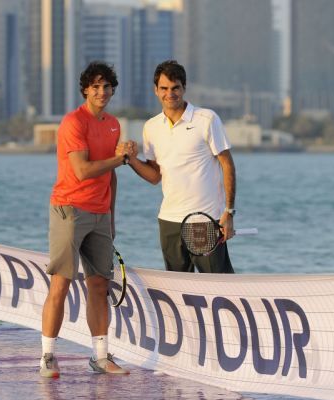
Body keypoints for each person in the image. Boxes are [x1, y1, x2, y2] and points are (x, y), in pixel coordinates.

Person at [40, 61, 136, 378]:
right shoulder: (72, 123)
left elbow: (112, 174)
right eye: (95, 86)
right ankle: (48, 357)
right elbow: (82, 170)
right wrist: (120, 159)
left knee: (99, 286)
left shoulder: (113, 125)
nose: (102, 92)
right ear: (85, 89)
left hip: (100, 214)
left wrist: (111, 215)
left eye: (107, 87)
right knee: (61, 285)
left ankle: (100, 357)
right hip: (69, 210)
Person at [127, 60, 237, 274]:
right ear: (156, 91)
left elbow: (227, 165)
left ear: (184, 88)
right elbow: (154, 176)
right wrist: (131, 160)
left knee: (220, 289)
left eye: (175, 87)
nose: (170, 93)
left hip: (203, 221)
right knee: (178, 291)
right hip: (169, 222)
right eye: (164, 88)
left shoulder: (207, 119)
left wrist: (229, 212)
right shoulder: (151, 127)